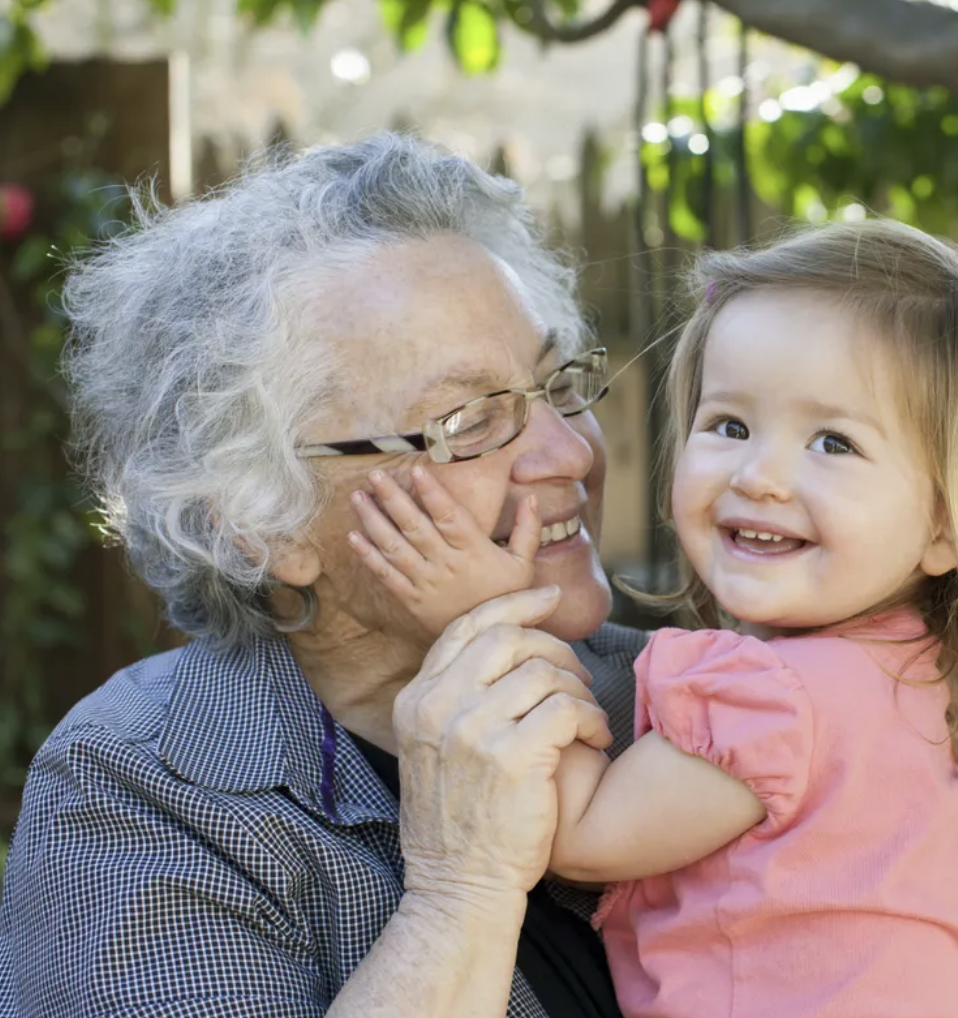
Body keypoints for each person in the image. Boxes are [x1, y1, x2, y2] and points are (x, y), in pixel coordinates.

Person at [353, 218, 958, 1017]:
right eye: (731, 426)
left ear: (948, 526)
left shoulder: (770, 696)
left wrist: (487, 616)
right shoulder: (902, 668)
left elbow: (579, 836)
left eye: (834, 443)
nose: (763, 476)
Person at [0, 133, 641, 1018]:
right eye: (467, 422)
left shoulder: (674, 698)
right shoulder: (143, 794)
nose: (569, 451)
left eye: (556, 384)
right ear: (265, 518)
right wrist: (462, 889)